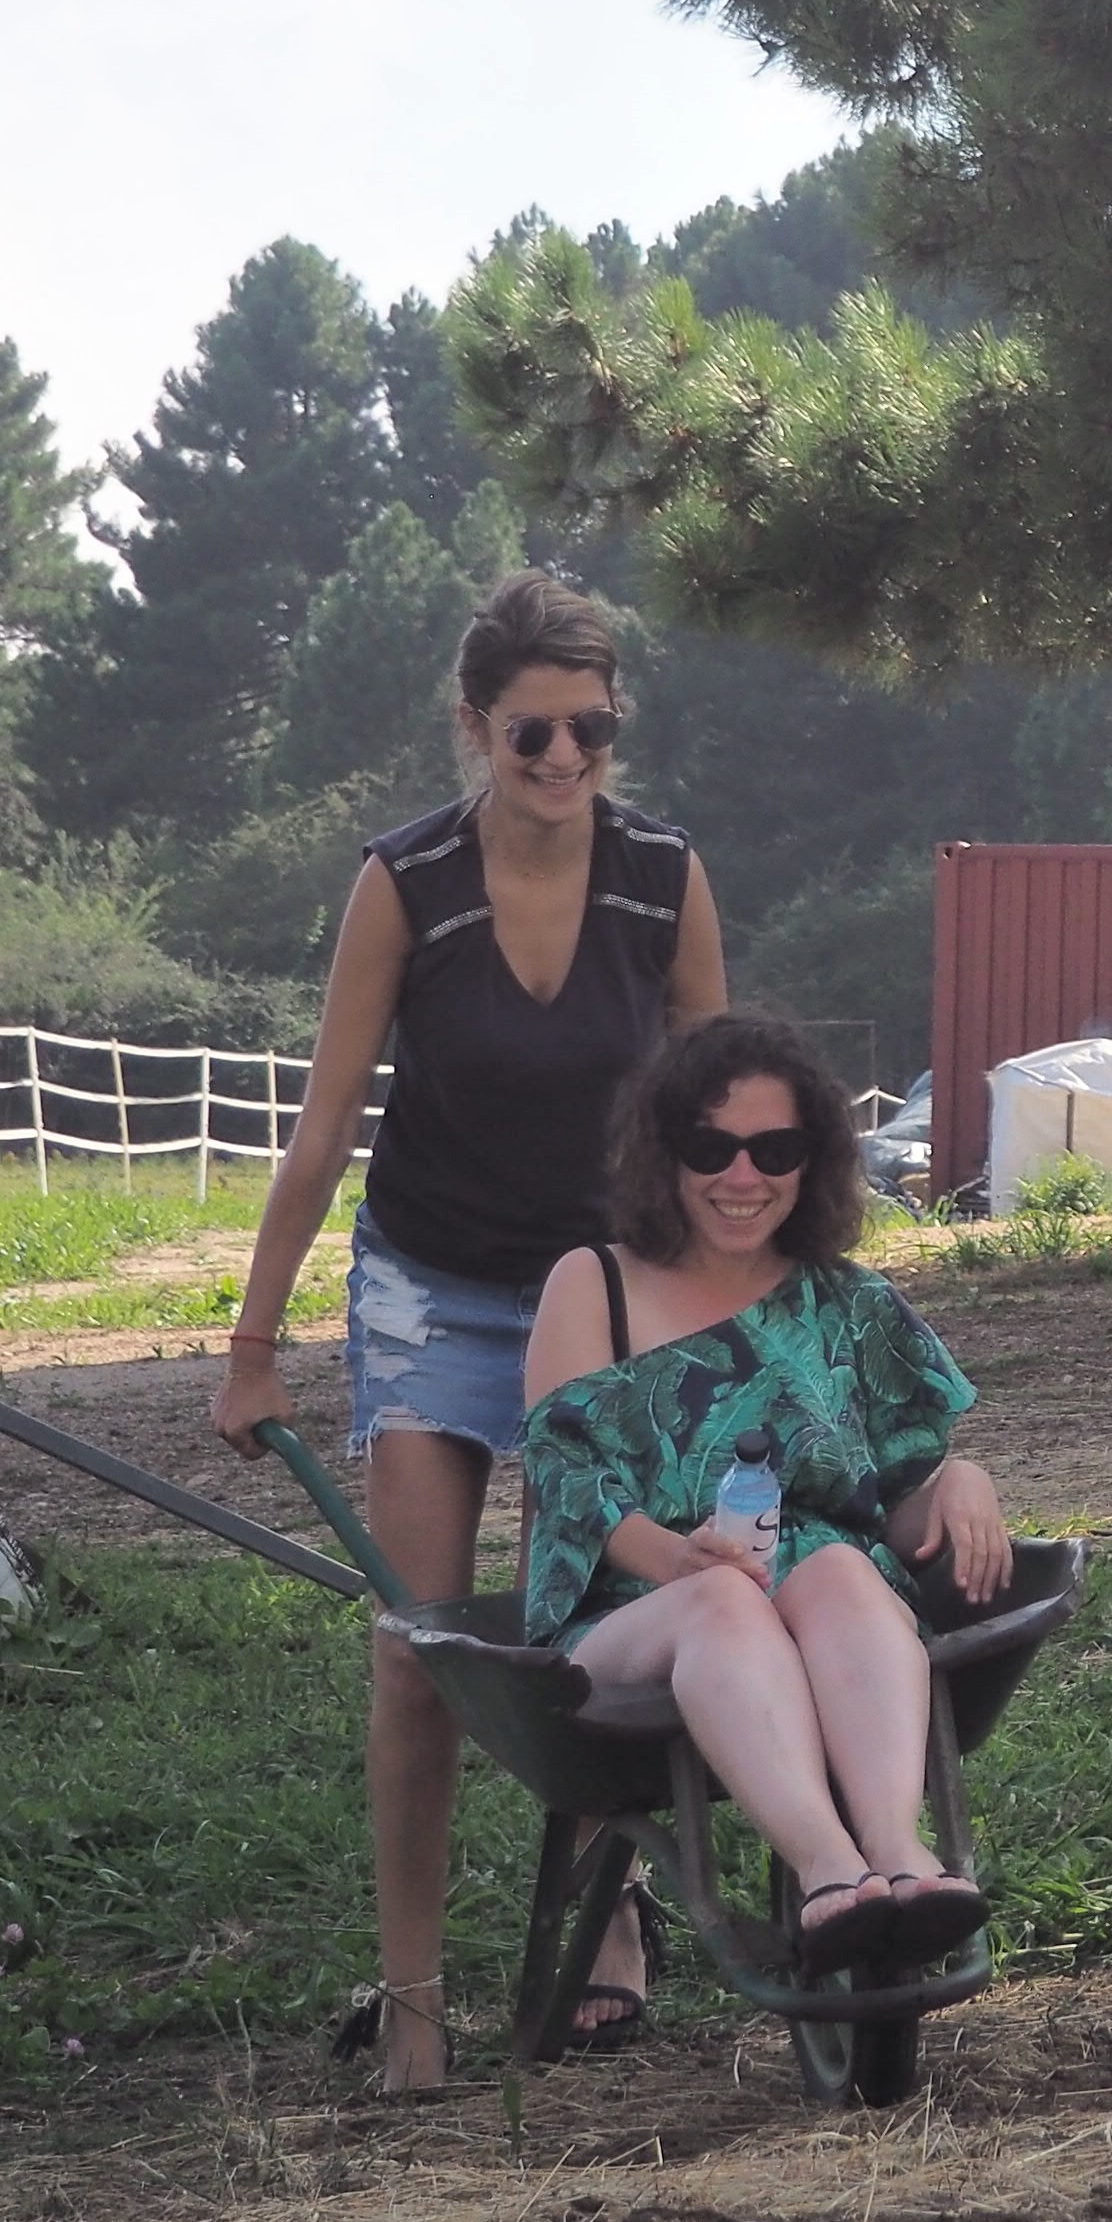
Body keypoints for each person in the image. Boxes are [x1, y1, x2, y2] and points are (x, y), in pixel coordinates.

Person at [208, 569, 722, 2088]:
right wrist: (253, 1350)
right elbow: (322, 1131)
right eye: (531, 734)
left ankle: (612, 1917)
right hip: (433, 1285)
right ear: (475, 727)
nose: (564, 759)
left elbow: (719, 1116)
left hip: (603, 1296)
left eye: (591, 729)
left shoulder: (661, 879)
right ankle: (416, 1999)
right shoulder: (408, 882)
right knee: (420, 1648)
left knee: (594, 1629)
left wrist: (733, 1310)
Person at [520, 1015, 1012, 1975]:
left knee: (838, 1566)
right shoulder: (594, 1284)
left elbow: (891, 1514)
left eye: (774, 1151)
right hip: (631, 1611)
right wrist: (678, 1559)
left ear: (812, 1160)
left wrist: (961, 1479)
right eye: (711, 1149)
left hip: (813, 1591)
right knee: (724, 1597)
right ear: (664, 1152)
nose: (742, 1178)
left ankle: (896, 1851)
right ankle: (829, 1869)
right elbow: (569, 1483)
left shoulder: (847, 1304)